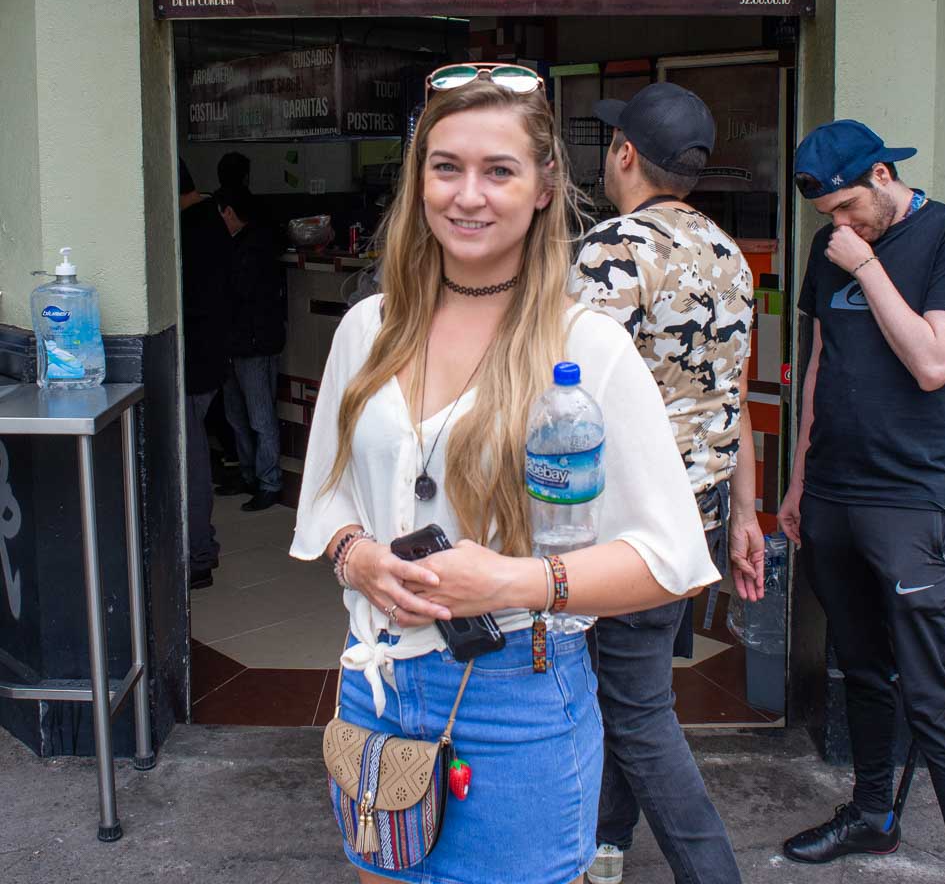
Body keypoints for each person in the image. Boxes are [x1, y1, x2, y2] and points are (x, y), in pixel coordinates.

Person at [290, 65, 720, 884]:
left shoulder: (586, 347)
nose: (467, 195)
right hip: (374, 688)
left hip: (517, 700)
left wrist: (517, 581)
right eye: (446, 166)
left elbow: (666, 560)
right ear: (419, 178)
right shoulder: (366, 329)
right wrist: (358, 556)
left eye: (499, 171)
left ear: (545, 187)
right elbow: (327, 497)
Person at [569, 81, 760, 884]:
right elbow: (733, 398)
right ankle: (605, 840)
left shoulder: (616, 247)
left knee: (637, 708)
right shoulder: (730, 254)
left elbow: (564, 395)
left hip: (628, 523)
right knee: (633, 686)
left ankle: (712, 873)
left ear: (624, 155)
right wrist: (745, 514)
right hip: (703, 509)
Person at [779, 119, 945, 878]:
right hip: (833, 489)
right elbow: (821, 363)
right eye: (829, 220)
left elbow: (933, 363)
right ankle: (873, 813)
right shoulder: (831, 250)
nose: (841, 228)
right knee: (858, 665)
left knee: (934, 692)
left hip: (912, 495)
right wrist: (796, 481)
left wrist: (868, 266)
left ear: (884, 174)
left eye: (850, 207)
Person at [215, 185, 287, 512]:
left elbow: (241, 295)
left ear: (228, 212)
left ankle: (268, 482)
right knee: (239, 416)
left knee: (258, 418)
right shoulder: (249, 243)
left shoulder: (253, 247)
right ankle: (250, 477)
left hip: (253, 344)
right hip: (238, 342)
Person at [179, 157, 233, 589]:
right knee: (194, 453)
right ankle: (199, 549)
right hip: (213, 354)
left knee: (191, 458)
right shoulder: (214, 220)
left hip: (193, 359)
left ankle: (199, 553)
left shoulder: (188, 229)